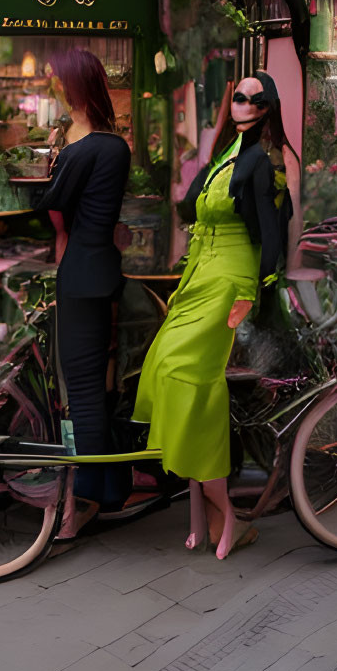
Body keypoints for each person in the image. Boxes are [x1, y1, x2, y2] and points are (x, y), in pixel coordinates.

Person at [134, 74, 297, 561]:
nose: (244, 104)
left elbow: (271, 233)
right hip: (199, 278)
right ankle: (201, 512)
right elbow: (191, 209)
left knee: (192, 378)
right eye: (239, 96)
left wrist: (253, 290)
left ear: (267, 108)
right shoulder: (226, 153)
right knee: (163, 366)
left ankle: (226, 514)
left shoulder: (262, 161)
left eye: (255, 99)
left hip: (230, 280)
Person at [37, 49, 134, 529]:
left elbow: (52, 199)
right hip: (98, 272)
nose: (53, 88)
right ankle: (107, 488)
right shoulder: (110, 146)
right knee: (92, 387)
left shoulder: (92, 146)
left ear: (75, 88)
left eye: (59, 82)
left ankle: (90, 498)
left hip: (82, 276)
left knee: (84, 390)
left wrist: (55, 157)